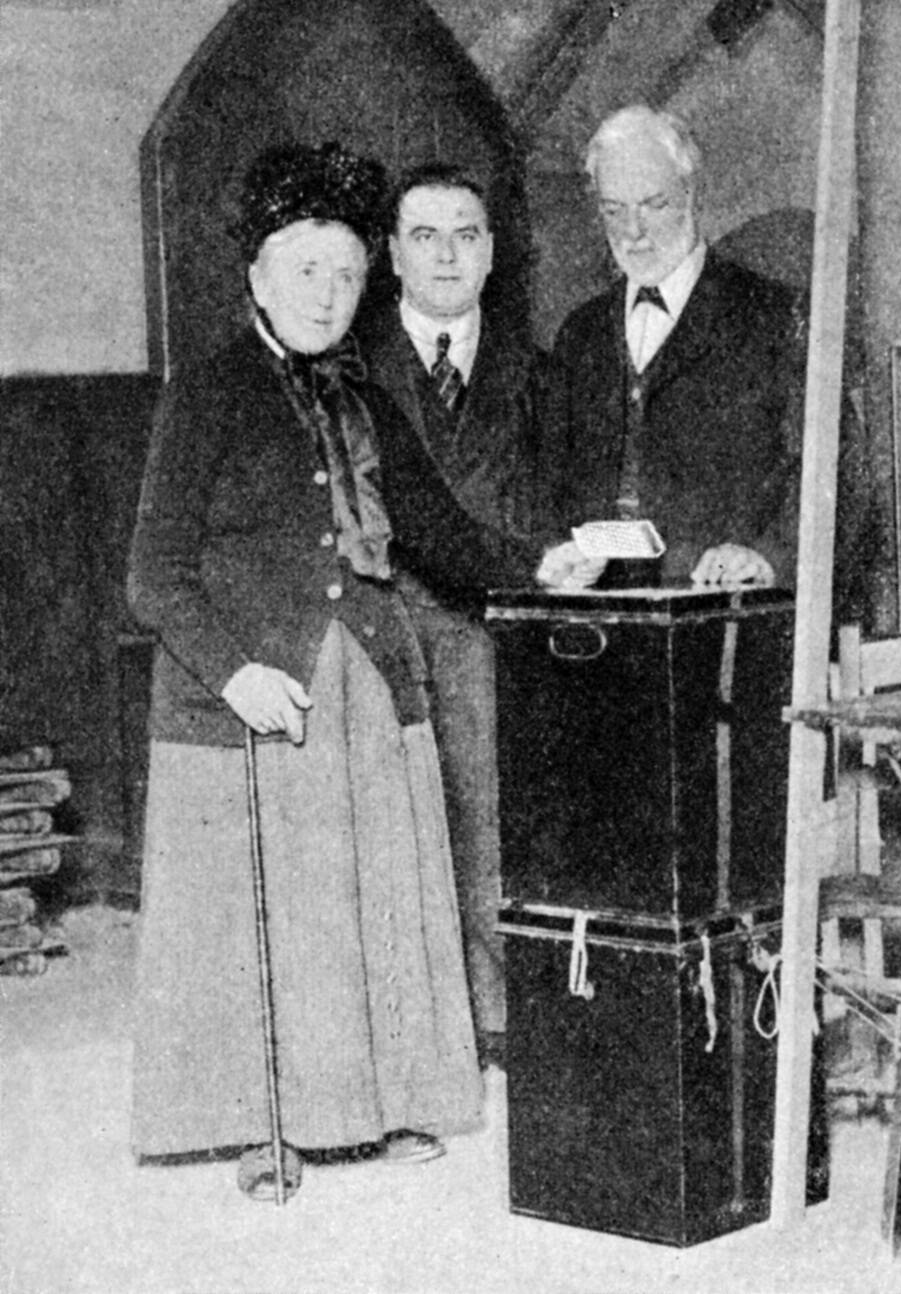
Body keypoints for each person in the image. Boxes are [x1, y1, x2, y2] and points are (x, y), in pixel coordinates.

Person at [127, 140, 591, 1201]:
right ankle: (264, 1124)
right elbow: (153, 575)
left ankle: (379, 1110)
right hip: (259, 693)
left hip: (372, 689)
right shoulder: (205, 391)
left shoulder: (367, 399)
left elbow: (445, 539)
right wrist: (235, 670)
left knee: (375, 900)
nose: (329, 293)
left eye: (345, 274)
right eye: (306, 271)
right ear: (258, 277)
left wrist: (544, 569)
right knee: (274, 918)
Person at [359, 162, 539, 1061]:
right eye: (424, 237)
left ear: (491, 252)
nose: (445, 256)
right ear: (391, 253)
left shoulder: (536, 371)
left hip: (492, 629)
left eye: (465, 235)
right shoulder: (348, 367)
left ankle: (495, 1022)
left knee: (488, 821)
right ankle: (399, 1032)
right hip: (383, 627)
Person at [539, 104, 805, 590]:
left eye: (652, 205)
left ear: (690, 193)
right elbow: (552, 488)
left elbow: (838, 474)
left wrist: (767, 558)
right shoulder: (581, 333)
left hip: (723, 619)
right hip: (603, 625)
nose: (632, 231)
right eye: (614, 210)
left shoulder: (773, 317)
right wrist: (563, 552)